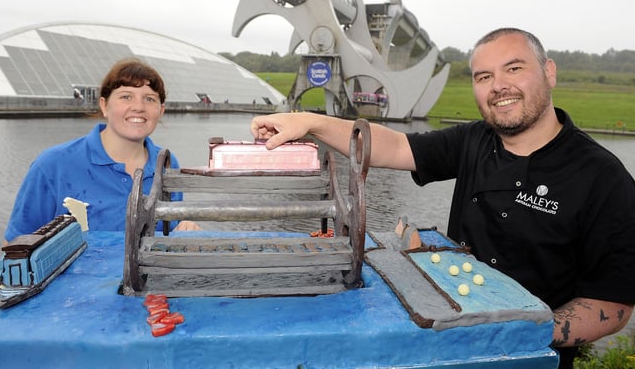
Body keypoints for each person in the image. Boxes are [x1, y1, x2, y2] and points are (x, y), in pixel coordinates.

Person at [250, 28, 635, 368]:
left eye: (514, 69)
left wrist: (527, 331)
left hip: (527, 358)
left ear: (549, 71)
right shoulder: (473, 140)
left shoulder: (603, 177)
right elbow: (394, 146)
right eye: (484, 76)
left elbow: (613, 304)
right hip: (446, 347)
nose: (498, 85)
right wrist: (310, 122)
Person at [4, 58, 200, 244]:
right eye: (126, 96)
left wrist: (184, 227)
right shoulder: (53, 165)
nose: (139, 107)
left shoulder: (166, 163)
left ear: (161, 110)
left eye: (149, 99)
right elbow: (16, 245)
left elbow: (168, 230)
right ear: (104, 105)